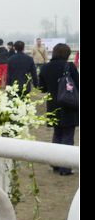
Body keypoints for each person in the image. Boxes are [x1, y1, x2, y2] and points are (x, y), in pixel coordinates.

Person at [38, 43, 79, 176]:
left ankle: (55, 164)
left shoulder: (45, 68)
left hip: (52, 105)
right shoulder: (70, 66)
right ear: (67, 54)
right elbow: (77, 84)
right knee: (68, 135)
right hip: (69, 104)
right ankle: (65, 168)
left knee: (57, 134)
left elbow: (42, 88)